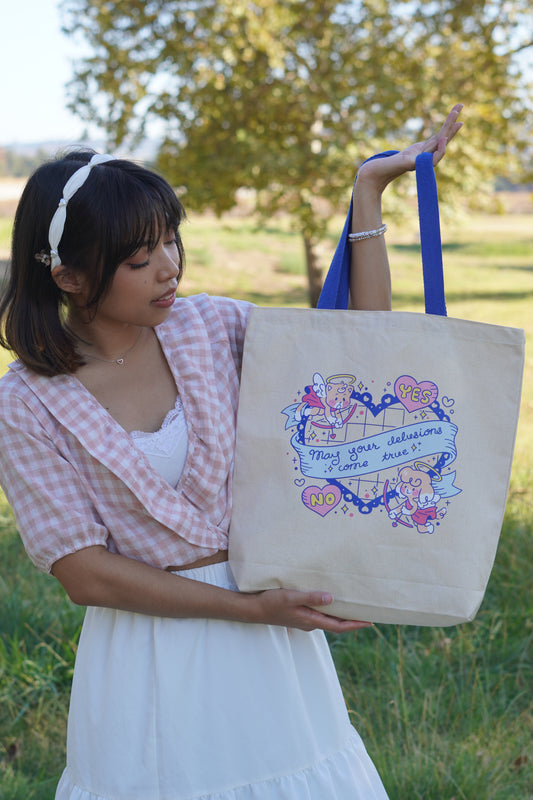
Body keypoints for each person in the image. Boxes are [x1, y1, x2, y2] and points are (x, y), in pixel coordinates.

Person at [0, 104, 463, 800]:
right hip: (152, 653)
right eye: (138, 258)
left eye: (170, 242)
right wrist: (253, 611)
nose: (168, 268)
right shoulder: (27, 401)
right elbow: (85, 573)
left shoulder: (212, 326)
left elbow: (357, 348)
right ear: (67, 277)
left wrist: (367, 193)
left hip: (272, 633)